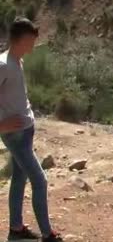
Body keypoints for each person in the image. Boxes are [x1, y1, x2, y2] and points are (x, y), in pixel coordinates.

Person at [0, 18, 63, 242]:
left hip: (24, 132)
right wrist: (2, 126)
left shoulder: (17, 61)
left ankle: (16, 229)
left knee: (19, 178)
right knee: (40, 180)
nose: (34, 45)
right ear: (23, 40)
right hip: (14, 135)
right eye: (32, 41)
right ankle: (48, 234)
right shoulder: (4, 64)